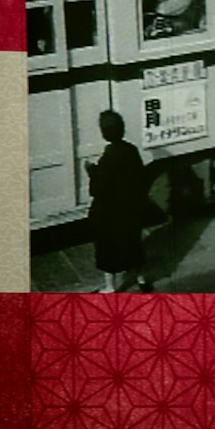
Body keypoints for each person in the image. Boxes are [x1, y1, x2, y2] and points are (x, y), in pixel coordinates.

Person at [85, 107, 153, 292]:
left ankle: (110, 287)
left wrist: (91, 171)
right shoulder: (131, 150)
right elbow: (140, 178)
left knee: (107, 248)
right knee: (134, 243)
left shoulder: (109, 156)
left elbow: (98, 189)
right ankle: (141, 279)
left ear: (104, 133)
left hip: (110, 212)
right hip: (130, 208)